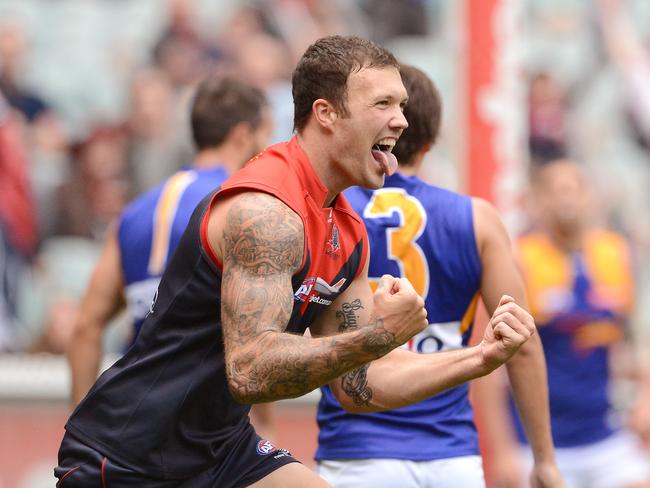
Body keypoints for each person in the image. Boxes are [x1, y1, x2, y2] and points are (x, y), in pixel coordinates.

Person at [55, 35, 536, 487]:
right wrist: (380, 335)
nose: (402, 122)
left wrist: (479, 357)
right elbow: (250, 370)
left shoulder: (346, 230)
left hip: (217, 447)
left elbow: (359, 384)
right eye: (383, 105)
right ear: (325, 113)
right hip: (130, 455)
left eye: (403, 106)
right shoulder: (266, 212)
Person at [314, 65, 562, 488]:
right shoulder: (478, 220)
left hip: (357, 453)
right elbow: (522, 342)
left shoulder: (332, 211)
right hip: (451, 457)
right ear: (430, 142)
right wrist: (543, 459)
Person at [66, 75, 275, 433]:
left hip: (133, 418)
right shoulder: (237, 206)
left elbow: (86, 326)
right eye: (265, 137)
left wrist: (80, 428)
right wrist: (267, 426)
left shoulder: (136, 210)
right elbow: (257, 327)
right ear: (243, 134)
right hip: (204, 422)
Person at [508, 159, 650, 487]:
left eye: (574, 188)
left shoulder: (616, 253)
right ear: (539, 201)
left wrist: (645, 398)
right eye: (556, 190)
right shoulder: (521, 258)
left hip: (603, 429)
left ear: (591, 197)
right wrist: (502, 448)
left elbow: (638, 336)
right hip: (538, 437)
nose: (566, 199)